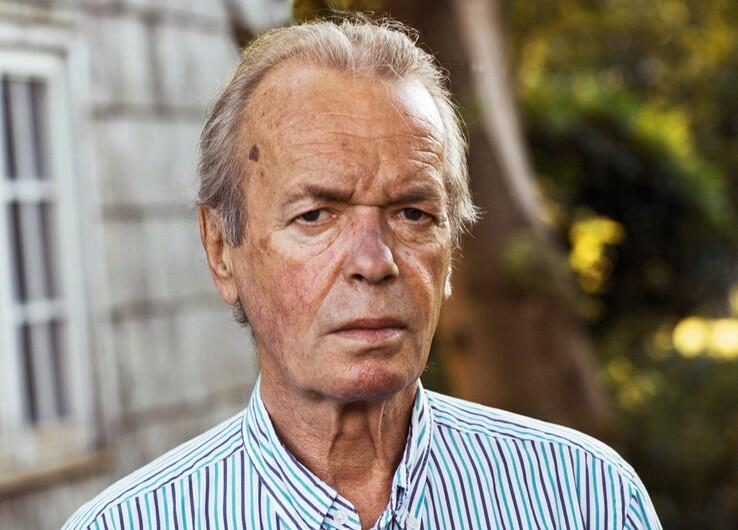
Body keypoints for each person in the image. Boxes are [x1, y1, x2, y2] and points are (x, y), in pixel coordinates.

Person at [63, 17, 662, 530]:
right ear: (222, 250)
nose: (374, 262)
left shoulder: (584, 499)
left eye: (412, 213)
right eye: (316, 215)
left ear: (450, 250)